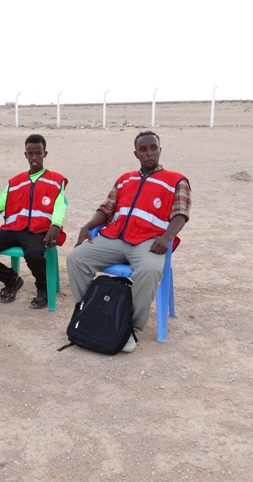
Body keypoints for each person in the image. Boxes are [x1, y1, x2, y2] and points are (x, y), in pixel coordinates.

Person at [66, 130, 191, 352]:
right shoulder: (125, 179)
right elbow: (107, 208)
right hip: (115, 236)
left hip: (148, 241)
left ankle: (127, 326)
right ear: (136, 154)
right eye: (143, 149)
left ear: (160, 150)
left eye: (153, 148)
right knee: (76, 258)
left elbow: (180, 214)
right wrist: (88, 226)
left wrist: (167, 237)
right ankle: (92, 311)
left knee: (150, 270)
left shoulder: (177, 180)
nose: (149, 153)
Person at [0, 134, 67, 309]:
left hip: (38, 231)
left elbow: (60, 205)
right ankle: (11, 279)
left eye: (38, 153)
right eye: (31, 153)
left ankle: (43, 288)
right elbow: (0, 203)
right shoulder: (15, 182)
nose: (34, 157)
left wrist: (56, 224)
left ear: (45, 154)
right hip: (14, 229)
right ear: (26, 155)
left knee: (33, 254)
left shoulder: (55, 180)